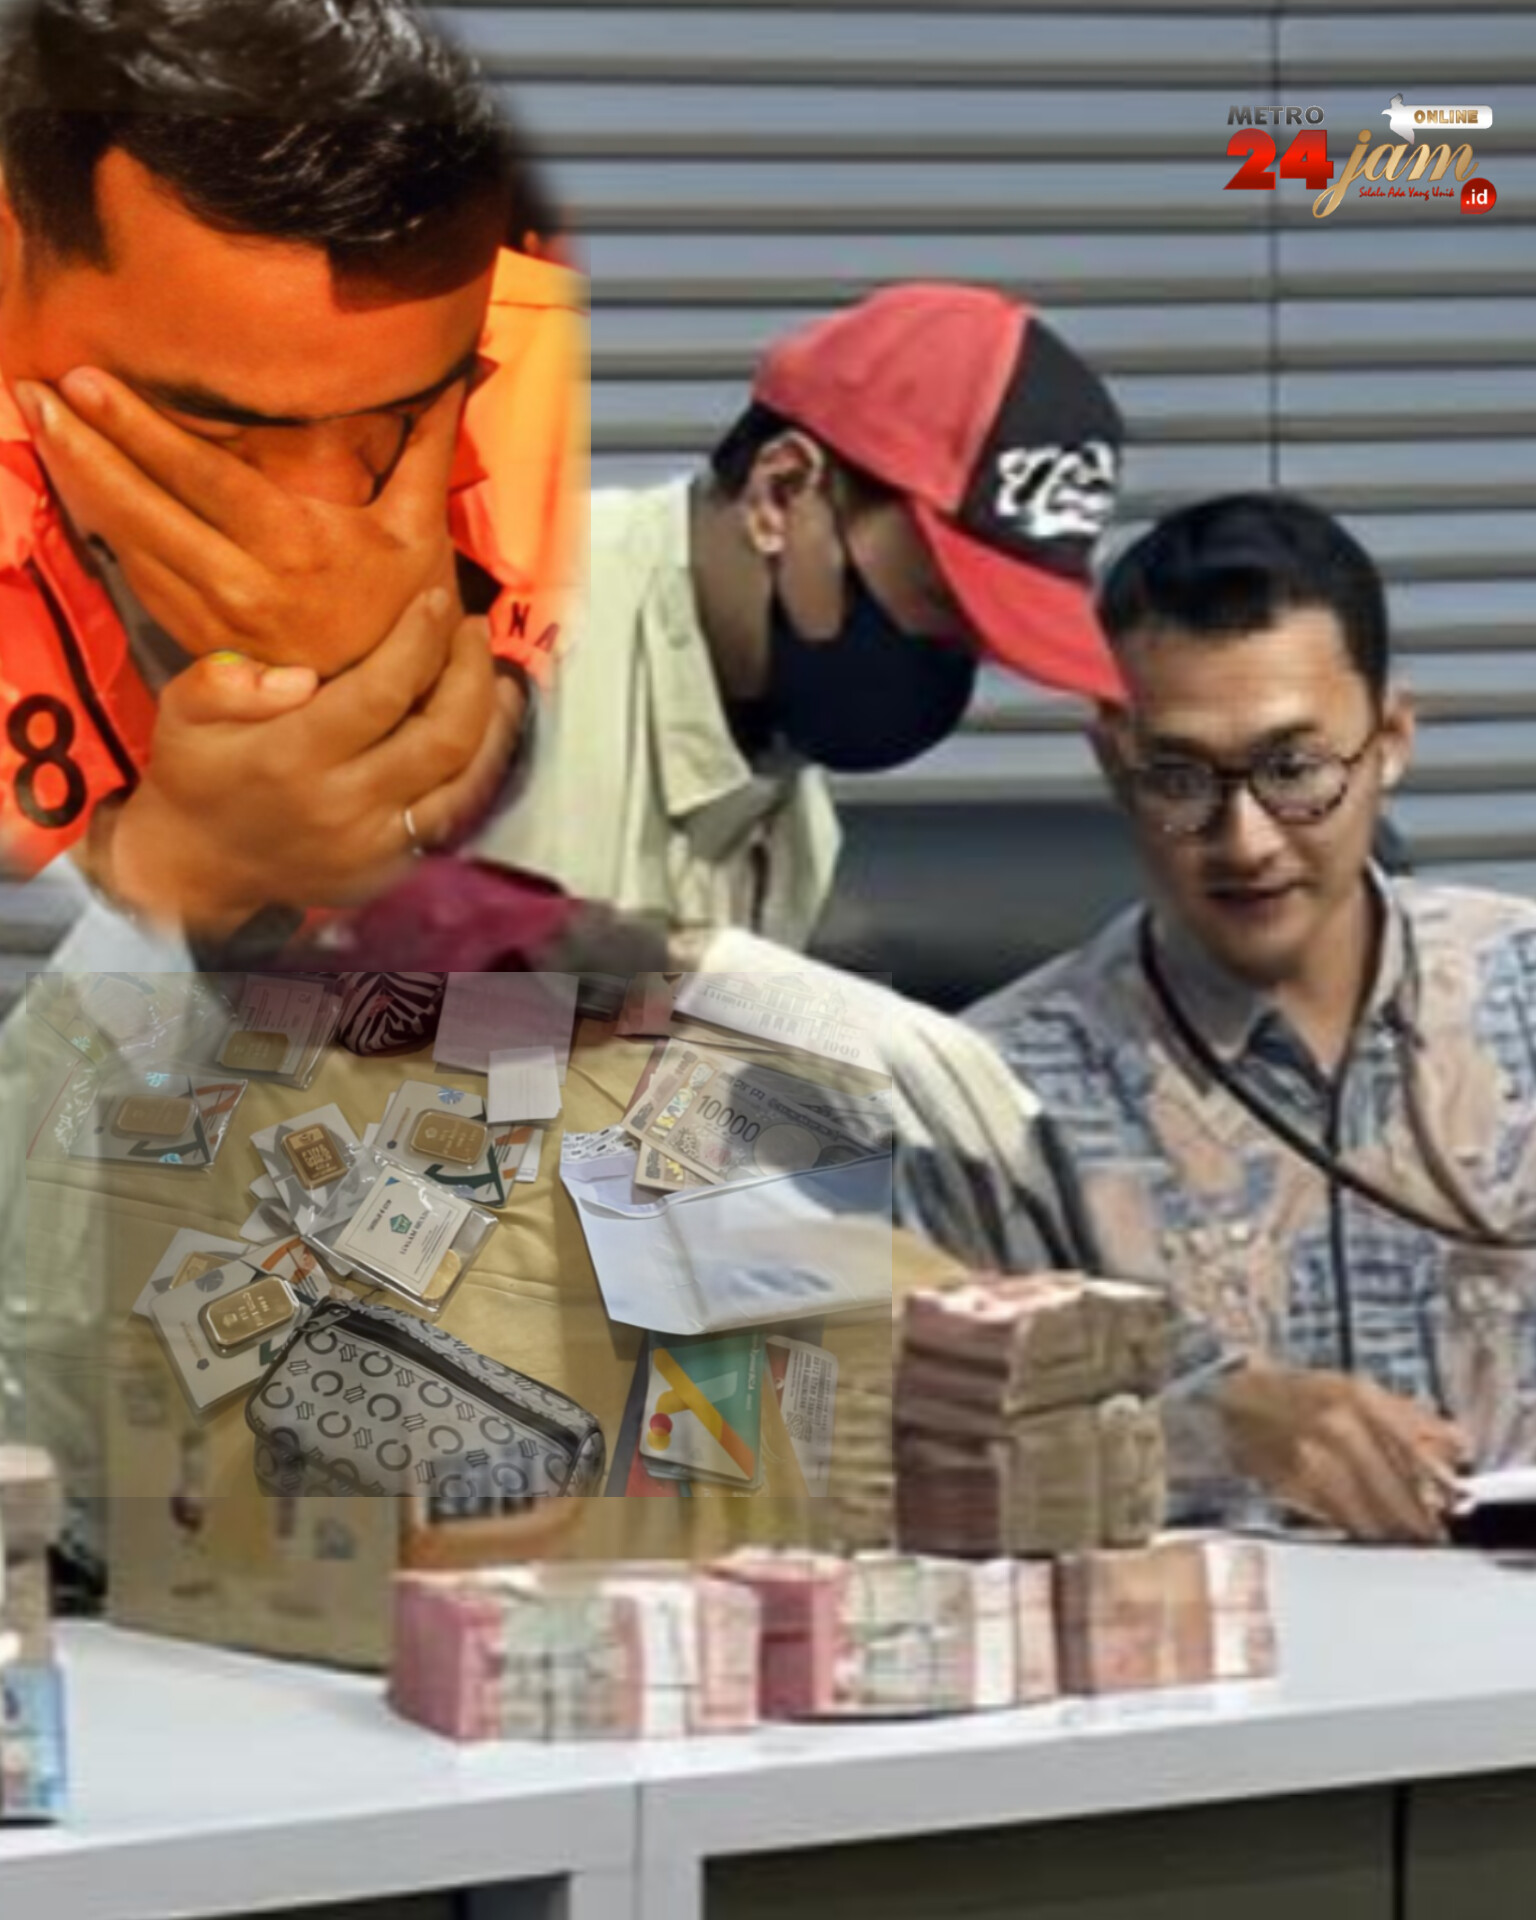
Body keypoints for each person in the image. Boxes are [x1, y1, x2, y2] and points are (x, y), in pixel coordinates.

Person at [959, 491, 1536, 1545]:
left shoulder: (1523, 989)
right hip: (1213, 1642)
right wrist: (1207, 1426)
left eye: (1294, 770)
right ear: (1114, 763)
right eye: (1180, 778)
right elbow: (905, 1448)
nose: (1247, 840)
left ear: (1391, 741)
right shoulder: (997, 1096)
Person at [0, 0, 583, 945]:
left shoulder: (571, 370)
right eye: (217, 424)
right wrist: (166, 878)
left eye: (404, 414)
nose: (327, 517)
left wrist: (494, 720)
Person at [476, 282, 1126, 947]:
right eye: (940, 602)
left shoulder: (783, 797)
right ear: (780, 493)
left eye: (987, 637)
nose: (948, 657)